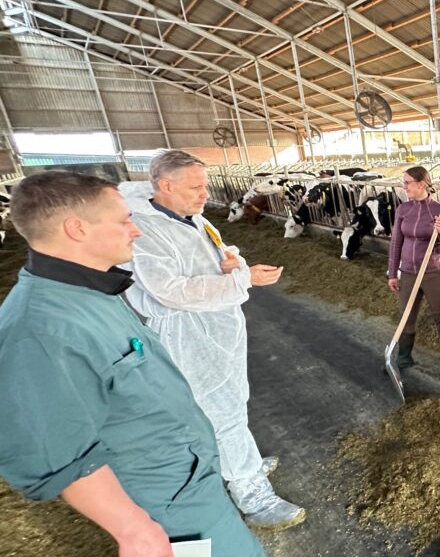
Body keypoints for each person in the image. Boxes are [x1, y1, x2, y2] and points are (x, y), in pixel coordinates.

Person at [0, 172, 264, 557]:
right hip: (163, 506)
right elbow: (47, 449)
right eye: (123, 220)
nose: (135, 231)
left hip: (186, 483)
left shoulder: (88, 292)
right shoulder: (39, 330)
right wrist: (134, 529)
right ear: (76, 229)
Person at [119, 150, 305, 530]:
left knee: (231, 399)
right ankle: (251, 493)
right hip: (188, 332)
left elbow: (212, 251)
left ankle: (240, 458)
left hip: (215, 324)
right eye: (196, 186)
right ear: (165, 186)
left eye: (205, 184)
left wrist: (230, 262)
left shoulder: (189, 215)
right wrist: (243, 279)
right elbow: (168, 290)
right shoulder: (146, 229)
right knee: (219, 408)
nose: (206, 193)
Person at [386, 166, 440, 378]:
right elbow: (395, 243)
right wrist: (392, 273)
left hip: (434, 273)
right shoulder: (403, 210)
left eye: (407, 182)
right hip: (408, 272)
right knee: (406, 316)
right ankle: (404, 357)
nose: (404, 186)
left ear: (421, 184)